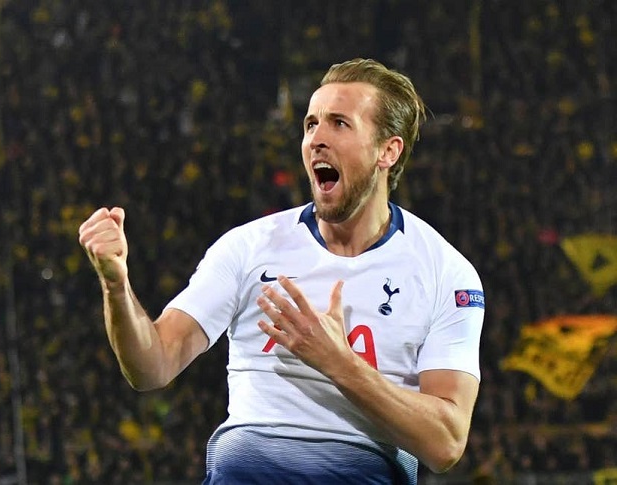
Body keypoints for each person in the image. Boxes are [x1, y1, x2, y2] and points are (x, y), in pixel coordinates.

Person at [78, 58, 485, 484]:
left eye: (339, 124)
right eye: (311, 124)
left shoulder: (445, 272)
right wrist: (116, 286)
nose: (316, 140)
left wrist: (338, 363)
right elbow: (152, 367)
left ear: (388, 150)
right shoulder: (249, 246)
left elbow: (446, 444)